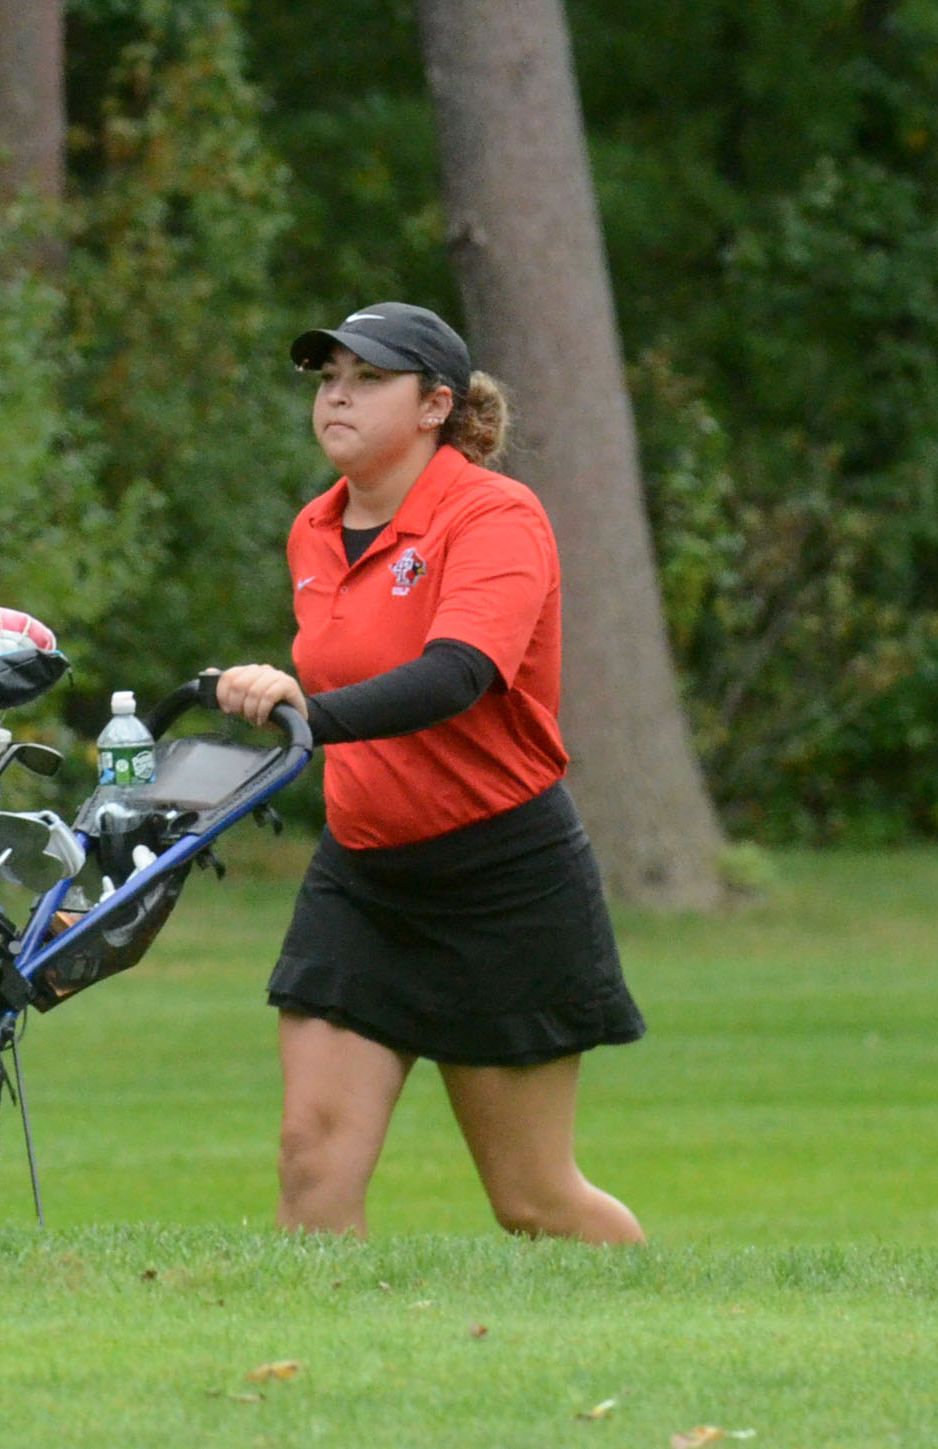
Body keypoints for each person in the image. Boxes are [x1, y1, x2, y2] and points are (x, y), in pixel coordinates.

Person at [212, 301, 647, 1244]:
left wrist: (305, 719)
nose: (338, 396)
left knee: (532, 1200)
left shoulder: (495, 515)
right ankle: (314, 1381)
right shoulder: (312, 530)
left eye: (368, 379)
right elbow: (345, 673)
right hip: (364, 876)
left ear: (433, 404)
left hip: (502, 878)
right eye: (328, 379)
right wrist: (289, 700)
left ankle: (656, 1337)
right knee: (310, 1159)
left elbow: (456, 676)